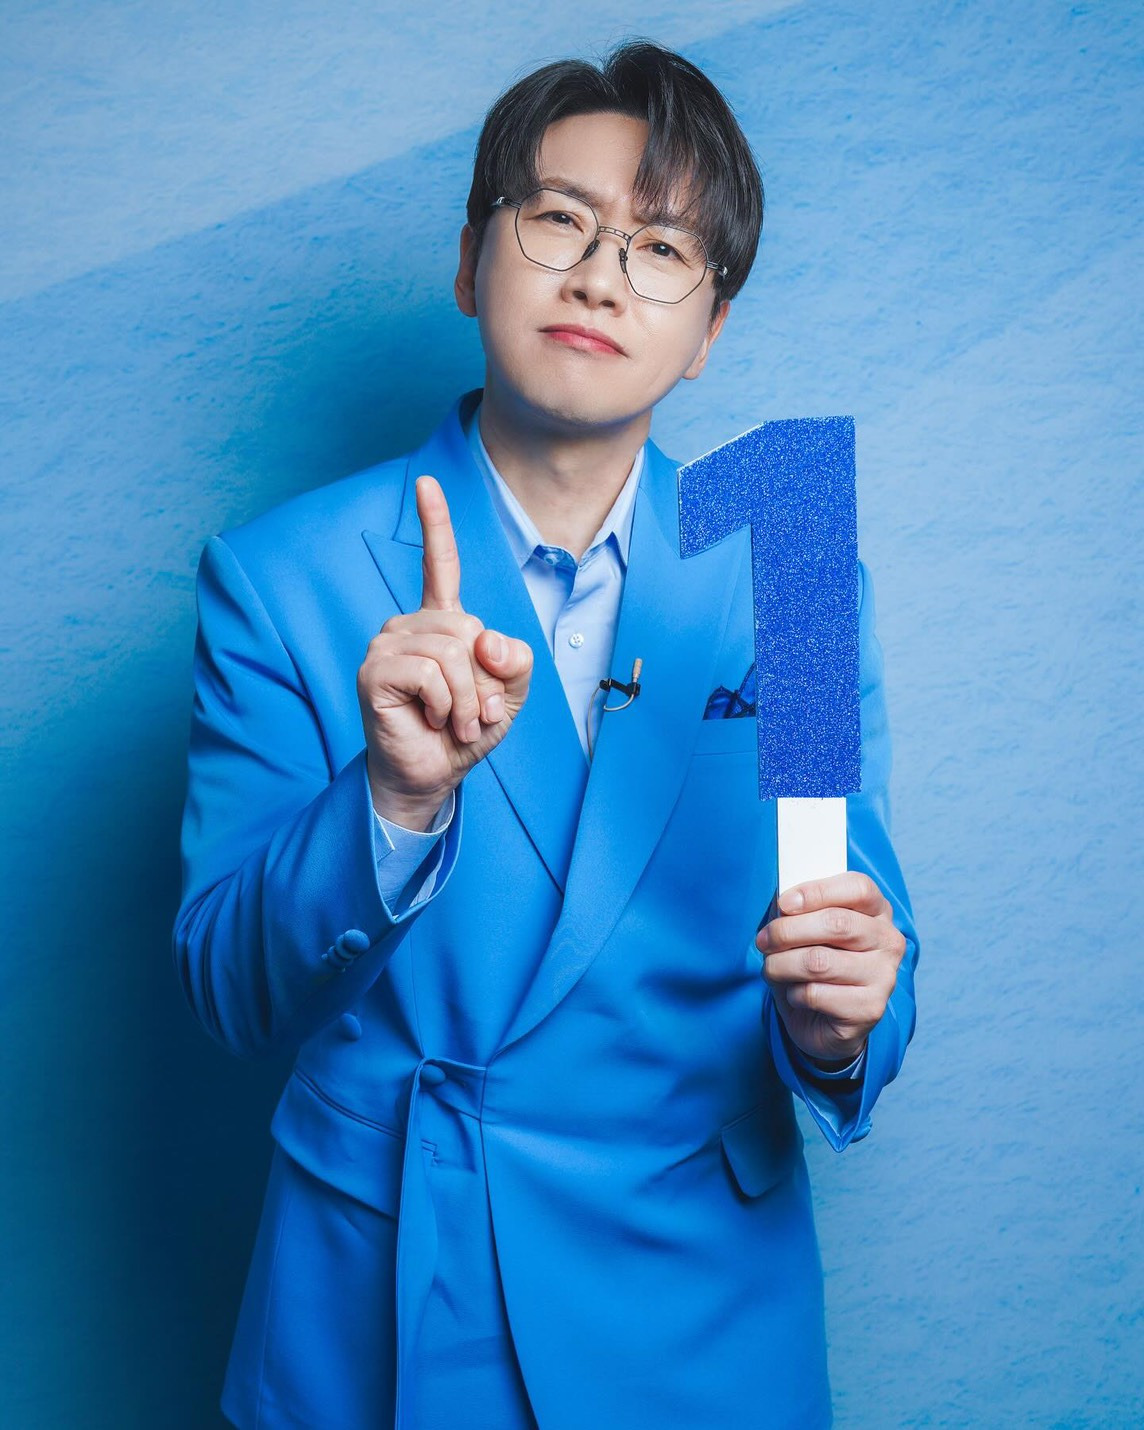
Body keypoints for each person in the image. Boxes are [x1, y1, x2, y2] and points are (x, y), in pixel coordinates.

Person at [175, 39, 918, 1430]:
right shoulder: (279, 578)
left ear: (711, 330)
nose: (599, 277)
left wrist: (843, 1016)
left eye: (661, 248)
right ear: (472, 261)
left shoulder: (799, 573)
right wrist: (391, 800)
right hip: (390, 1288)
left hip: (699, 1298)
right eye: (559, 220)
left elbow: (861, 929)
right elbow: (227, 988)